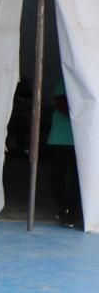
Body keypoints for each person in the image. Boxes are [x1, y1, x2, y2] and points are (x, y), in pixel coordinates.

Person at [47, 76, 81, 228]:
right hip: (60, 136)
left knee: (75, 178)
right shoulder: (65, 77)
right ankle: (64, 207)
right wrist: (79, 113)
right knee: (56, 175)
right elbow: (60, 101)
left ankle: (69, 210)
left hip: (80, 139)